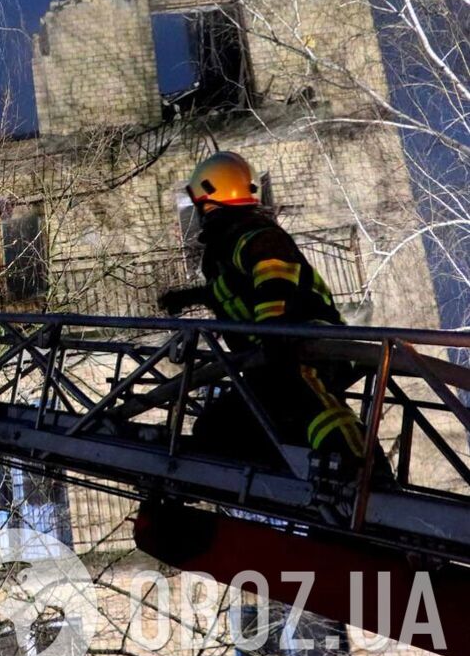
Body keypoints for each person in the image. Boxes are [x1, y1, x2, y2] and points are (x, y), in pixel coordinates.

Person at [157, 151, 367, 467]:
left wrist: (272, 328)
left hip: (305, 342)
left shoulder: (255, 234)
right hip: (267, 357)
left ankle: (360, 466)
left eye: (199, 205)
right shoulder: (227, 249)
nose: (199, 213)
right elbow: (230, 291)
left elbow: (274, 275)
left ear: (210, 200)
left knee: (306, 398)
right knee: (218, 427)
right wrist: (189, 297)